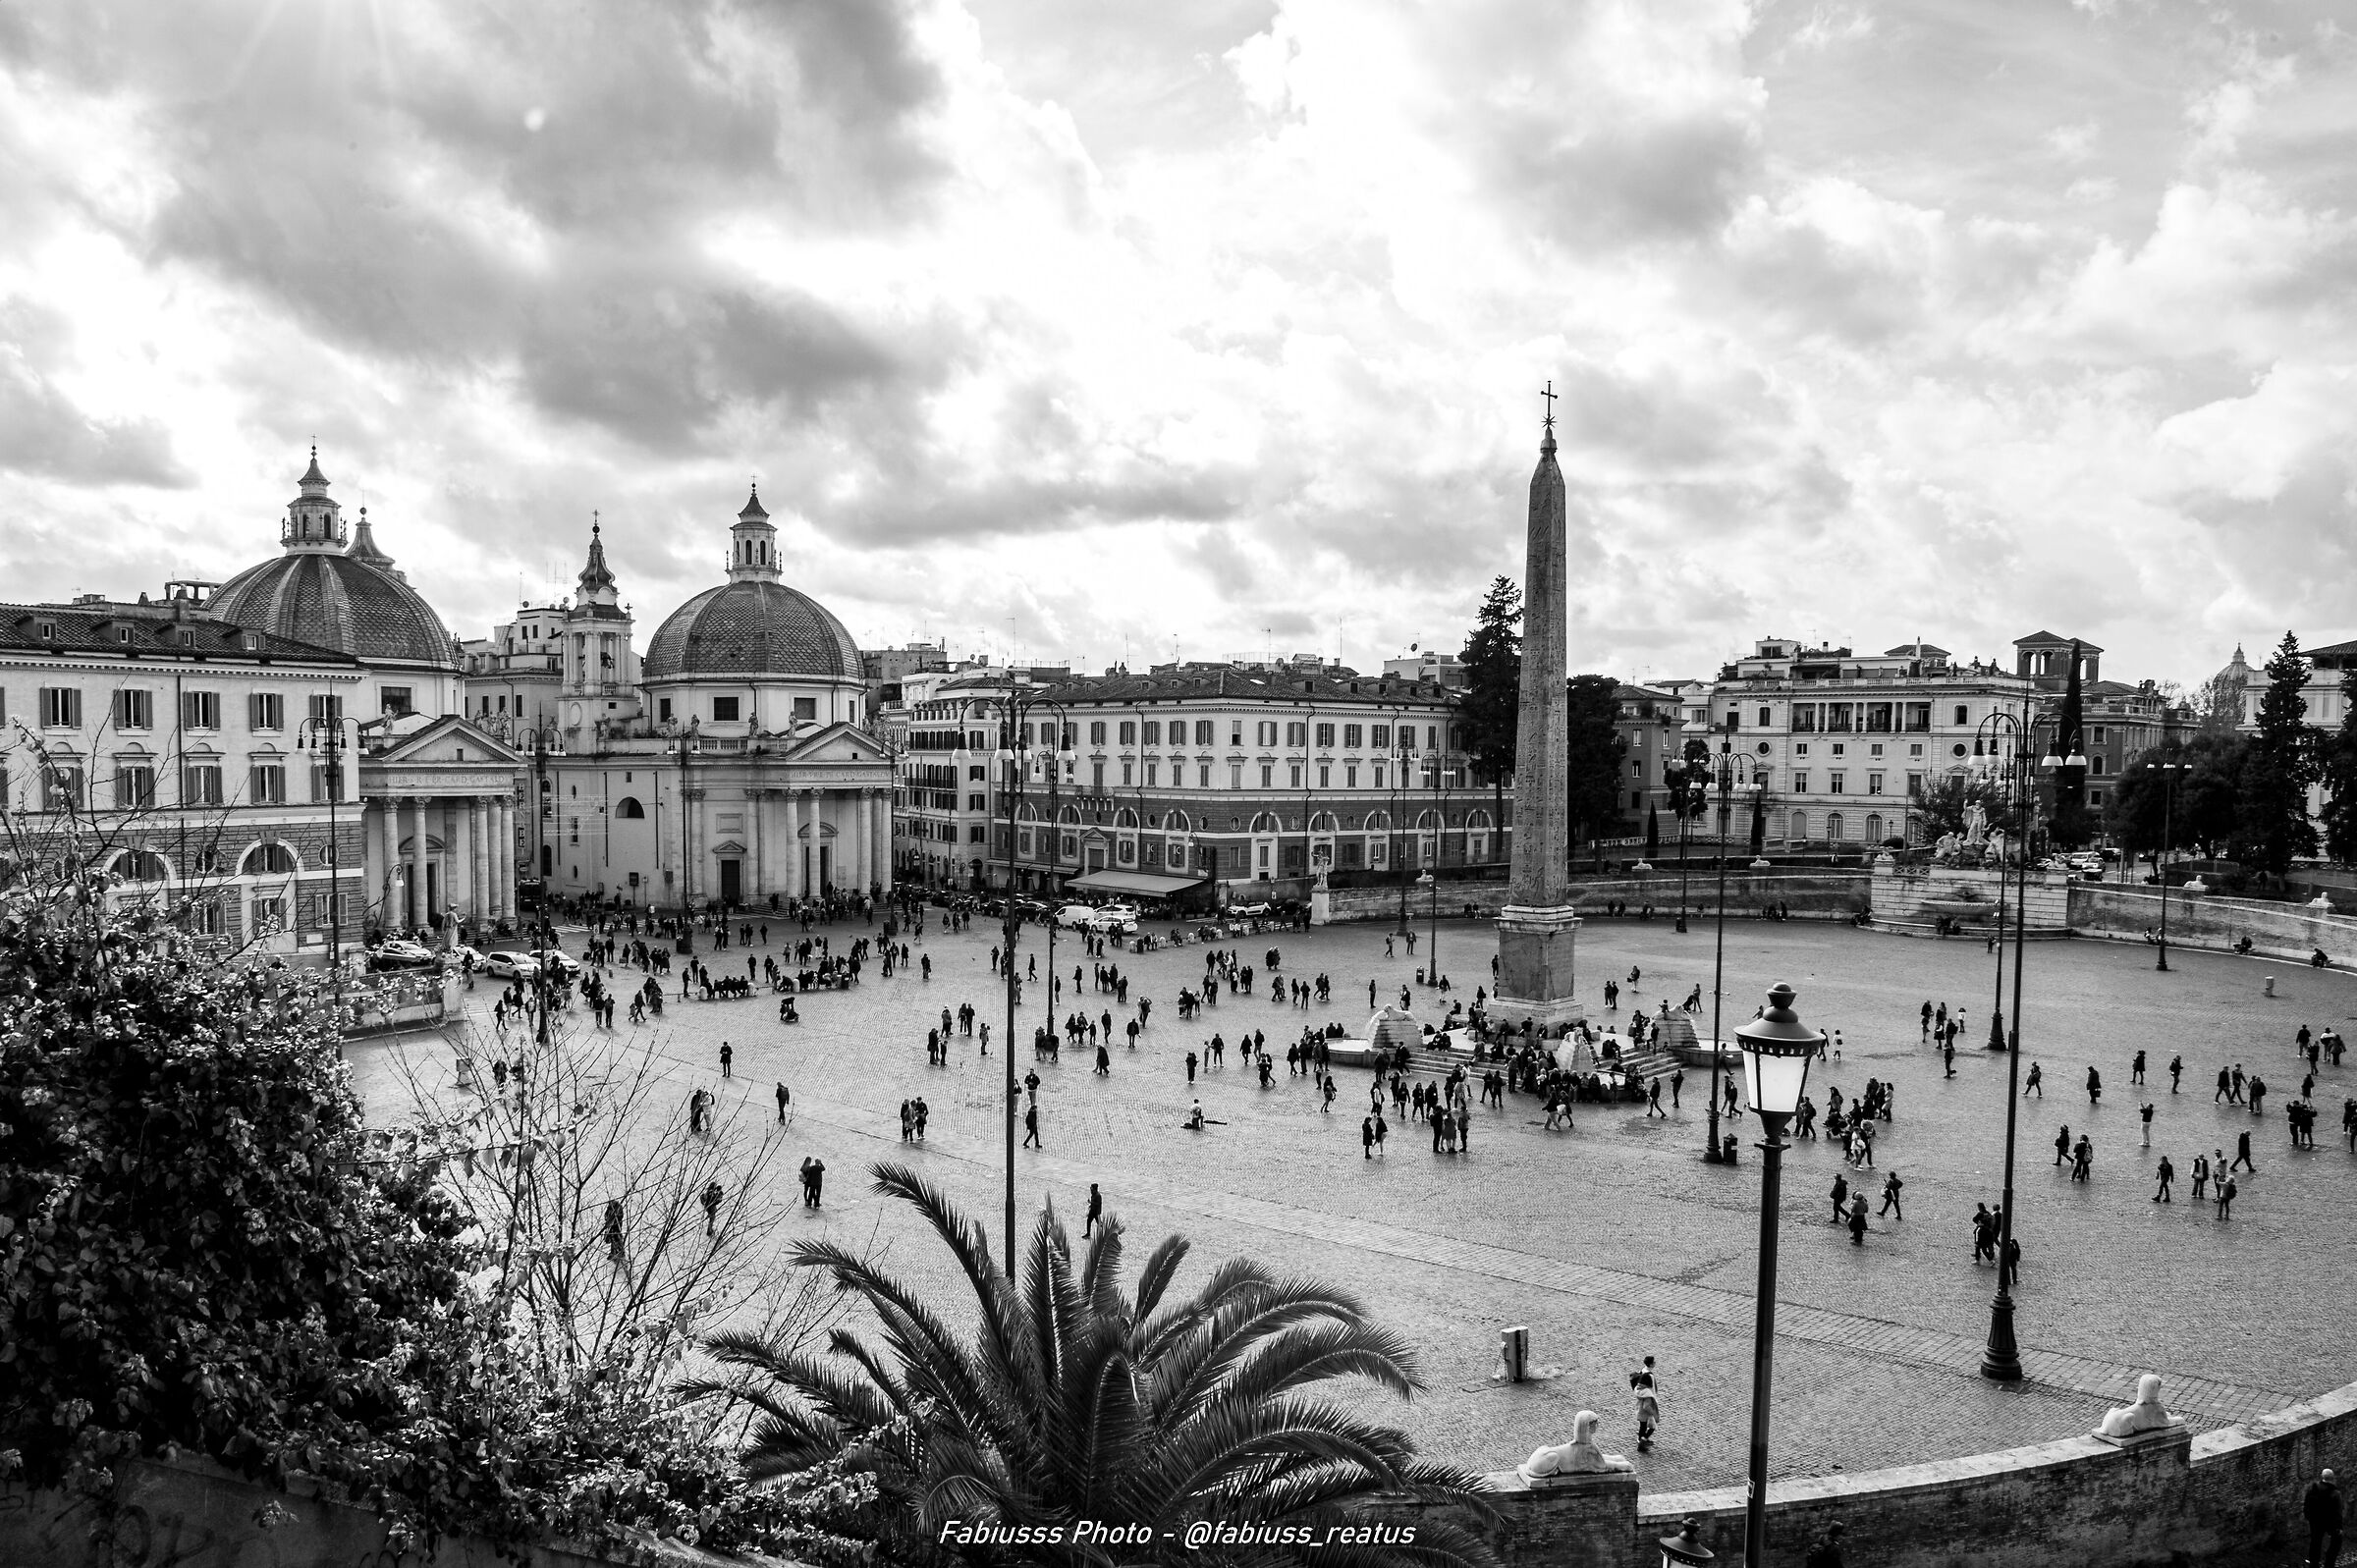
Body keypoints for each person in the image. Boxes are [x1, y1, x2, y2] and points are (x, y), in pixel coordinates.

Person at [2304, 1467, 2343, 1568]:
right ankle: (2329, 1562)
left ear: (2322, 1476)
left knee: (2315, 1541)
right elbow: (2338, 1511)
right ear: (2333, 1478)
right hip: (2330, 1522)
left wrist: (2308, 1517)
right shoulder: (2335, 1493)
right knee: (2337, 1540)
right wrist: (2339, 1527)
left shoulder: (2313, 1488)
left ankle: (2313, 1562)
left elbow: (2307, 1503)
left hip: (2315, 1520)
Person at [1630, 1356, 1661, 1452]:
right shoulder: (1650, 1377)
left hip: (1641, 1404)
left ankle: (1640, 1439)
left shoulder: (1642, 1372)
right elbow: (1653, 1390)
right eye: (1654, 1362)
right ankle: (1642, 1441)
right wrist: (1653, 1410)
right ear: (1651, 1364)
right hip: (1647, 1407)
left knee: (1642, 1425)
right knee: (1652, 1426)